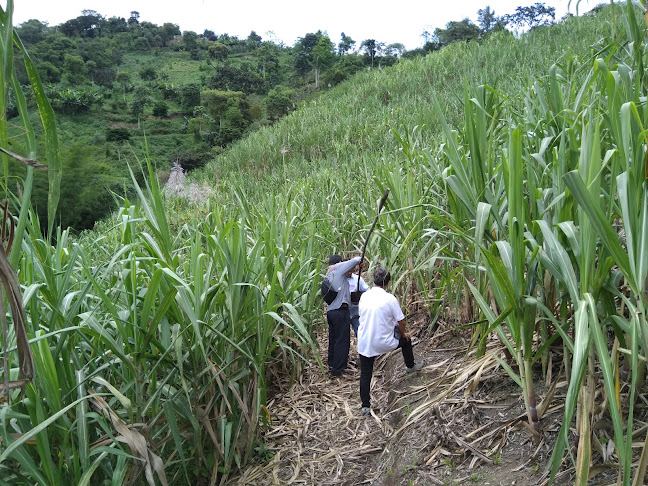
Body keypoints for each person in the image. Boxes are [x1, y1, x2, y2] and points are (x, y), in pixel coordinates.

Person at [357, 267, 425, 415]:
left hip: (364, 342)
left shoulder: (364, 296)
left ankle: (365, 406)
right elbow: (401, 321)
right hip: (383, 342)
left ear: (374, 281)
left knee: (365, 374)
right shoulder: (390, 299)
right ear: (388, 283)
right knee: (406, 341)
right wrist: (402, 334)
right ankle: (410, 366)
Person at [325, 254, 362, 377]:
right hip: (340, 311)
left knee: (334, 339)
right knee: (342, 340)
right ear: (339, 263)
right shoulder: (337, 269)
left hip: (331, 311)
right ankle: (338, 370)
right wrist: (358, 261)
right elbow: (357, 259)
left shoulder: (329, 274)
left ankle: (332, 363)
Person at [347, 268, 369, 337]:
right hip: (343, 311)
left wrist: (360, 295)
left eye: (351, 269)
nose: (350, 272)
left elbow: (367, 290)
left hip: (355, 311)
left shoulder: (357, 279)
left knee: (360, 333)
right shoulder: (339, 279)